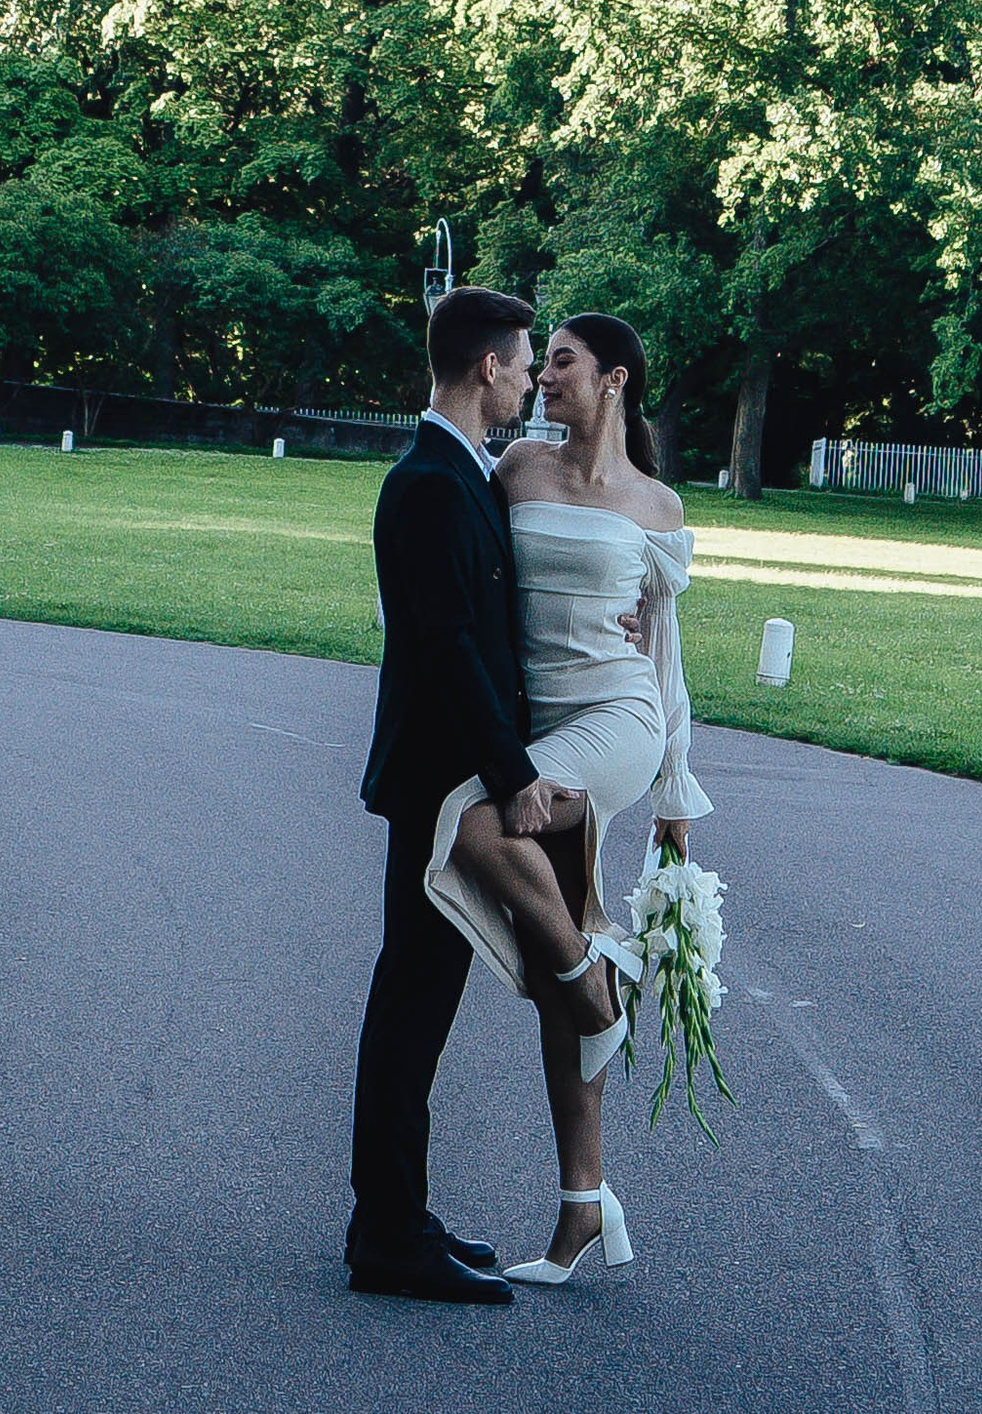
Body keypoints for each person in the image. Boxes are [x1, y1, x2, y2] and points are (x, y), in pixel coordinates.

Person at [424, 310, 709, 1287]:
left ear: (615, 379)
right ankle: (581, 1207)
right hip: (533, 731)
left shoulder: (658, 510)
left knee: (477, 826)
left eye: (562, 363)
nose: (543, 378)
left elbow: (665, 660)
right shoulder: (517, 474)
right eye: (538, 363)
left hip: (615, 727)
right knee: (560, 971)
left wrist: (676, 792)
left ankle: (595, 984)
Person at [347, 284, 544, 1304]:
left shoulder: (459, 473)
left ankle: (397, 1214)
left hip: (449, 775)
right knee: (411, 1002)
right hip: (440, 781)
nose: (526, 379)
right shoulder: (426, 482)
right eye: (522, 363)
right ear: (484, 369)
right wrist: (513, 777)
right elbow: (447, 644)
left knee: (421, 998)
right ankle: (384, 1234)